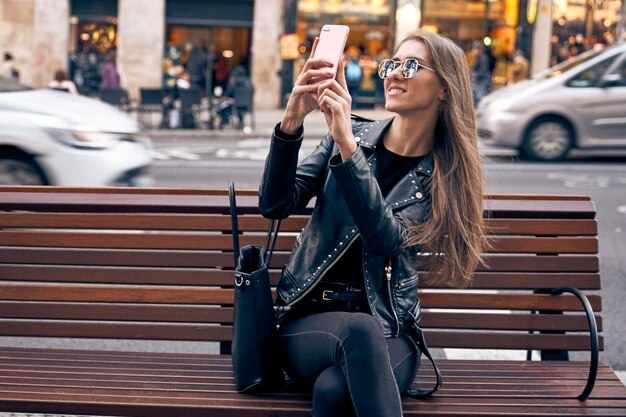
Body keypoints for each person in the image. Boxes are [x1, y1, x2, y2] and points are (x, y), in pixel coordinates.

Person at [258, 29, 486, 417]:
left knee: (333, 391)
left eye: (410, 65)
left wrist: (347, 144)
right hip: (309, 321)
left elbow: (385, 238)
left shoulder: (441, 178)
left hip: (389, 330)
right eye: (391, 64)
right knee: (356, 331)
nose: (394, 74)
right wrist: (293, 116)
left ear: (446, 88)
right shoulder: (349, 134)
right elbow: (275, 204)